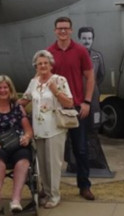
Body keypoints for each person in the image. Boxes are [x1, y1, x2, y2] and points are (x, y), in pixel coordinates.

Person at [47, 16, 96, 201]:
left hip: (76, 108)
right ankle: (50, 188)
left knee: (81, 149)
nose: (63, 31)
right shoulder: (49, 52)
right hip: (55, 108)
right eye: (60, 28)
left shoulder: (81, 51)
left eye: (66, 28)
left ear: (71, 30)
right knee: (53, 151)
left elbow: (90, 77)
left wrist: (87, 102)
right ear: (55, 31)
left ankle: (84, 186)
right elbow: (43, 78)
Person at [20, 50, 74, 208]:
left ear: (51, 65)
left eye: (45, 63)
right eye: (39, 64)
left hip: (55, 129)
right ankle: (47, 192)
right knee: (42, 164)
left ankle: (55, 196)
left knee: (53, 164)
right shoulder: (34, 82)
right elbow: (24, 99)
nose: (43, 66)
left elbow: (69, 103)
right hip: (38, 130)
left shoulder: (59, 80)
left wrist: (56, 91)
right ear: (35, 66)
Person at [0, 75, 34, 213]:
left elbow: (28, 130)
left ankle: (16, 199)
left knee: (23, 159)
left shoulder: (17, 107)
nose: (2, 90)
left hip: (16, 144)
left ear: (10, 89)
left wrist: (27, 137)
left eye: (5, 87)